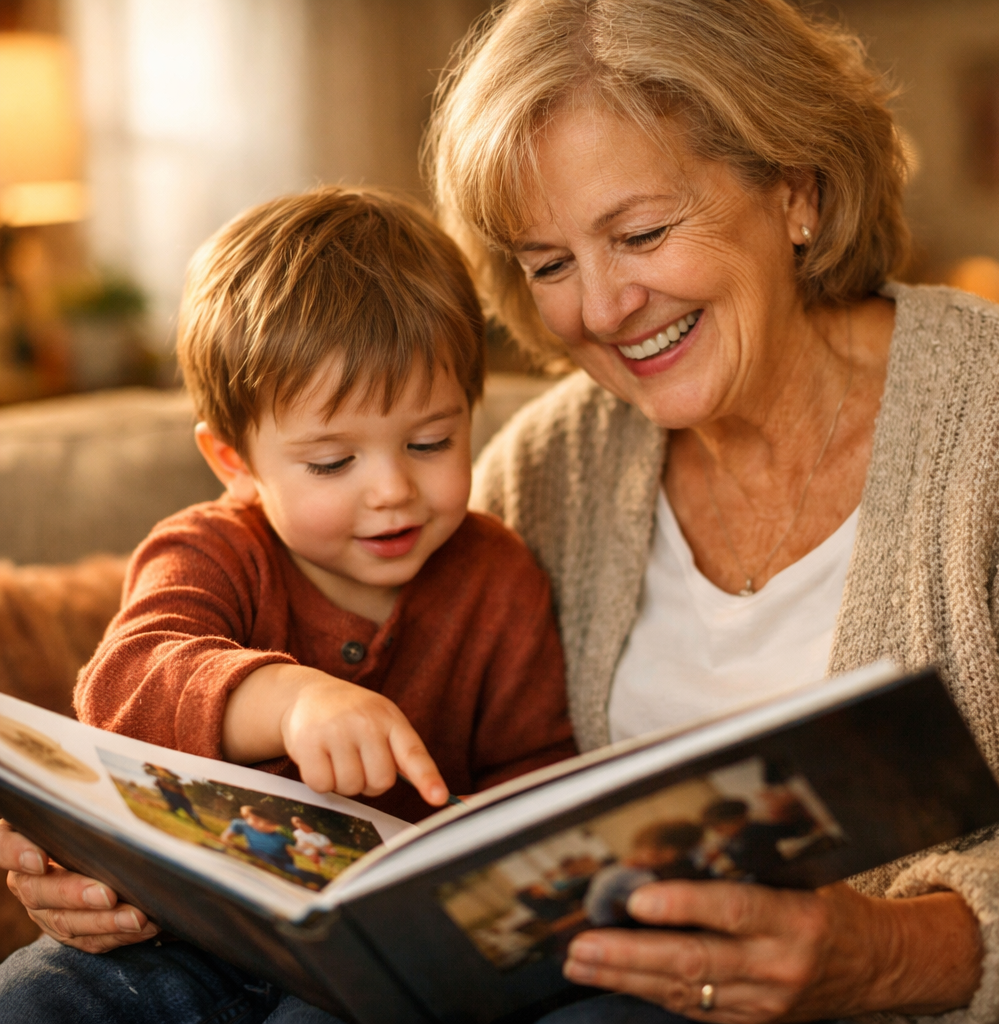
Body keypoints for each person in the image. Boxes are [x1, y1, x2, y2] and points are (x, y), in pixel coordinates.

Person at [426, 0, 999, 1020]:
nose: (606, 308)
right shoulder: (540, 471)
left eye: (642, 233)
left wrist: (887, 952)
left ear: (795, 189)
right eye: (551, 264)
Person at [0, 187, 575, 1023]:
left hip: (380, 965)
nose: (392, 491)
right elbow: (123, 684)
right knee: (31, 996)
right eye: (333, 462)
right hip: (176, 942)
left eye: (431, 442)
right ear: (233, 460)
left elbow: (538, 776)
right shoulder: (208, 550)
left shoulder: (499, 576)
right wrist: (291, 700)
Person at [584, 823, 705, 926]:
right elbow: (597, 912)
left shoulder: (674, 869)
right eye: (658, 850)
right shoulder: (613, 876)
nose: (669, 855)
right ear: (639, 847)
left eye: (676, 851)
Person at [221, 807, 325, 888]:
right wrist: (229, 843)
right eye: (253, 820)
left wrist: (310, 852)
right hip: (255, 855)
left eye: (261, 821)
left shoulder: (281, 833)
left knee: (300, 874)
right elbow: (225, 837)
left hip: (280, 862)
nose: (256, 824)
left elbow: (300, 847)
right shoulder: (244, 825)